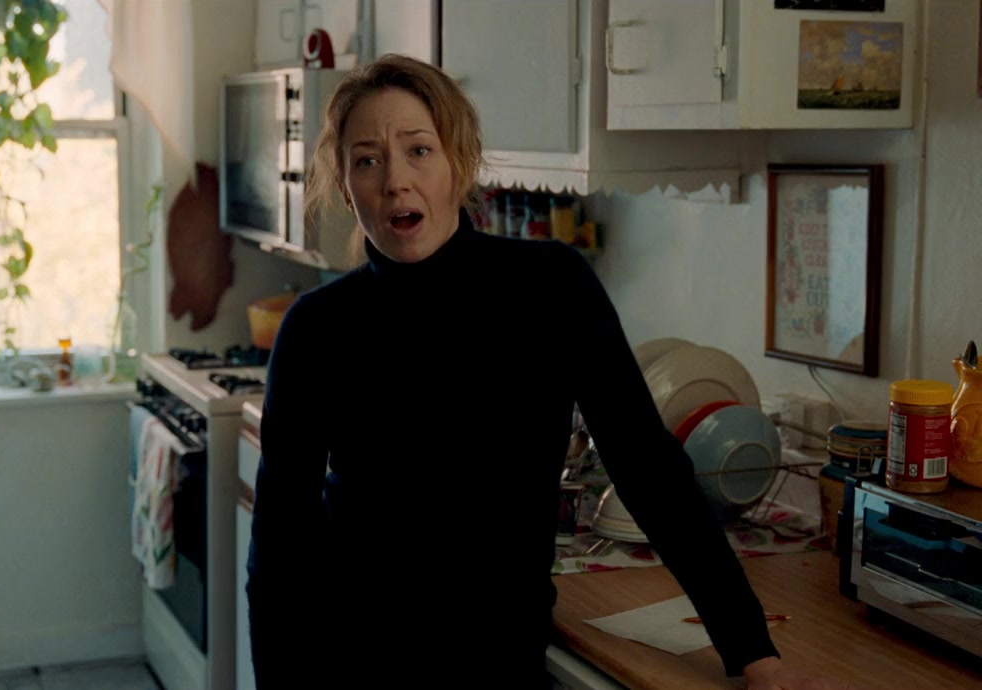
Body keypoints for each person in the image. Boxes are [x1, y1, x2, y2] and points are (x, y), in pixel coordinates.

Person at [245, 53, 856, 690]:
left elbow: (648, 467)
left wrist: (752, 651)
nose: (396, 180)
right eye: (368, 160)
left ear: (460, 163)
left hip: (500, 660)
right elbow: (281, 548)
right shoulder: (316, 329)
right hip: (350, 659)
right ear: (346, 187)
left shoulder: (551, 288)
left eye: (419, 150)